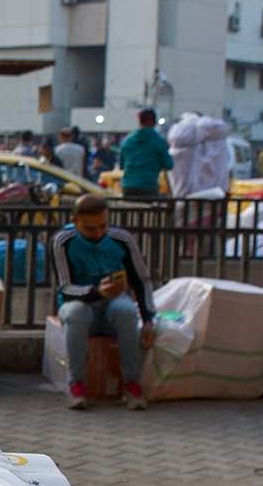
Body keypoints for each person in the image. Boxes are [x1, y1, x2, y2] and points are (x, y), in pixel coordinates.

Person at [50, 194, 155, 410]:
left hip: (114, 306)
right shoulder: (62, 240)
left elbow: (142, 280)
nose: (98, 233)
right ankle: (77, 384)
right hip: (79, 305)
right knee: (76, 313)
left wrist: (148, 319)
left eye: (103, 226)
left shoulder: (123, 239)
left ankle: (132, 383)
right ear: (75, 221)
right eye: (90, 229)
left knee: (126, 311)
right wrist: (97, 292)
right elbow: (65, 286)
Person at [118, 109, 172, 199]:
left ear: (139, 122)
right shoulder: (159, 141)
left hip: (127, 186)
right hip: (148, 186)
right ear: (154, 122)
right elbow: (169, 165)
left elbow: (122, 165)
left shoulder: (127, 141)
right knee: (146, 211)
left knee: (129, 211)